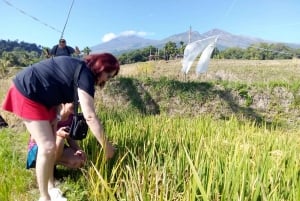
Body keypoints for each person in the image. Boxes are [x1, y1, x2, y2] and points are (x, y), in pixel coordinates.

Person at [1, 53, 119, 201]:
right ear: (100, 67)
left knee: (50, 146)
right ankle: (44, 197)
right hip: (29, 92)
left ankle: (51, 187)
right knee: (48, 147)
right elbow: (89, 116)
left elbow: (57, 89)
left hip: (46, 101)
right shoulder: (86, 75)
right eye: (108, 75)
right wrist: (106, 146)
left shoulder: (80, 69)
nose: (106, 80)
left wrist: (55, 120)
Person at [27, 103, 87, 170]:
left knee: (78, 161)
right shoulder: (49, 111)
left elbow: (70, 138)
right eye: (73, 105)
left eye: (77, 104)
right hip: (39, 147)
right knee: (60, 138)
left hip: (57, 147)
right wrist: (58, 135)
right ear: (64, 103)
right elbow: (34, 138)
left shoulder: (72, 116)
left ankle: (50, 167)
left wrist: (77, 149)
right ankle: (47, 169)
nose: (75, 108)